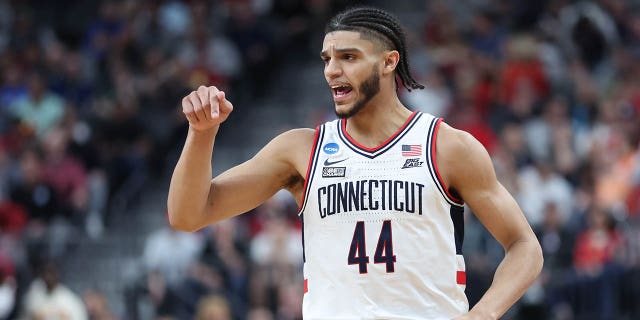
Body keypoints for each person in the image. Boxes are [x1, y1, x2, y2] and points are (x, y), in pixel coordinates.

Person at [168, 6, 543, 320]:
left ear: (388, 62)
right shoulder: (300, 149)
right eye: (327, 59)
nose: (332, 69)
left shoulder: (447, 146)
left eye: (348, 57)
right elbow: (189, 215)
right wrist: (201, 135)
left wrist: (483, 314)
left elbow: (525, 246)